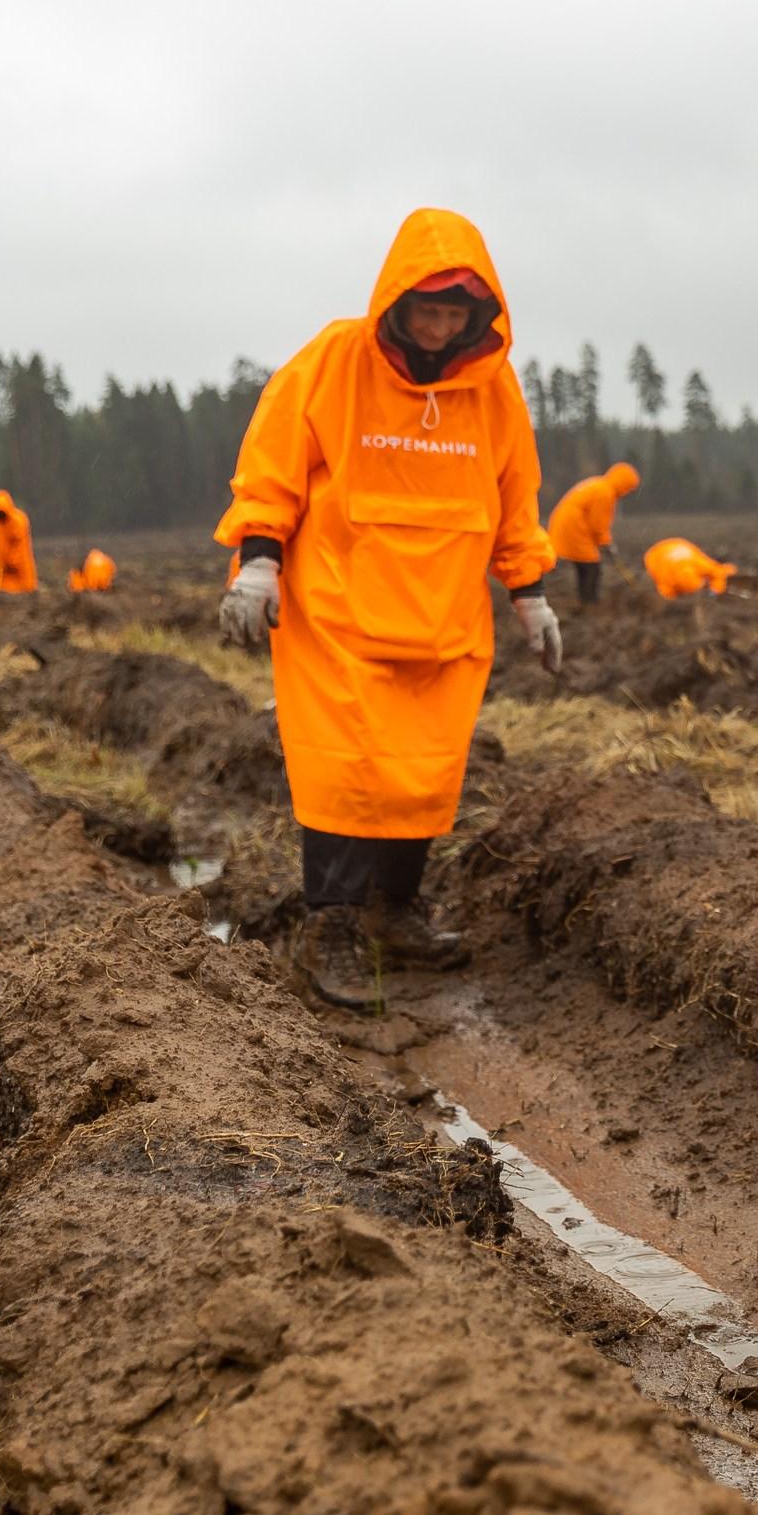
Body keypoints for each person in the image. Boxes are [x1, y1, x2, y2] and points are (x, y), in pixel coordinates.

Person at [214, 208, 560, 1009]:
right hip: (338, 608)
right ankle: (328, 928)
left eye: (454, 314)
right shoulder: (335, 360)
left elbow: (516, 493)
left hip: (444, 617)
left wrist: (531, 592)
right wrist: (259, 562)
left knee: (422, 774)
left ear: (479, 318)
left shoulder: (493, 389)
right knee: (342, 772)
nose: (438, 328)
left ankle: (396, 912)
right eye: (426, 310)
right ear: (396, 304)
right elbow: (273, 460)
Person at [545, 462, 640, 606]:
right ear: (625, 485)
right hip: (574, 528)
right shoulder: (605, 493)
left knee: (584, 566)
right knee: (591, 567)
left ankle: (584, 600)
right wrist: (607, 544)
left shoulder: (599, 484)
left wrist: (603, 542)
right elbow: (598, 525)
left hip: (566, 525)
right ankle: (589, 603)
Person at [643, 536, 736, 598]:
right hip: (654, 555)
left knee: (716, 568)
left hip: (680, 548)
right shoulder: (666, 581)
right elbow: (666, 596)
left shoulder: (699, 565)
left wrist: (714, 591)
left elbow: (718, 572)